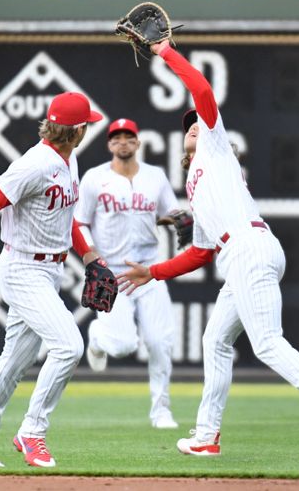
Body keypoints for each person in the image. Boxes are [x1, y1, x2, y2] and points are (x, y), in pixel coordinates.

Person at [118, 39, 299, 458]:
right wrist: (151, 272)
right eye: (187, 126)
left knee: (266, 342)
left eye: (198, 122)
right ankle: (206, 436)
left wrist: (166, 52)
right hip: (238, 255)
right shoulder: (195, 185)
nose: (194, 124)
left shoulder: (214, 149)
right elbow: (200, 254)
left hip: (249, 248)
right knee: (215, 341)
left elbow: (204, 93)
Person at [0, 91, 107, 468]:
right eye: (86, 123)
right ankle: (32, 432)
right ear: (77, 130)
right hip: (23, 268)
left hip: (50, 269)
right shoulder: (35, 164)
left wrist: (89, 255)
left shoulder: (67, 161)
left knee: (16, 359)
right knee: (70, 346)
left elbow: (63, 216)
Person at [74, 117, 182, 430]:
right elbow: (79, 222)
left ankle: (161, 410)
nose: (123, 142)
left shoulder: (155, 177)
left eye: (128, 137)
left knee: (160, 342)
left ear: (137, 142)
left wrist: (180, 220)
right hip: (113, 273)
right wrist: (93, 258)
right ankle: (96, 338)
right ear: (109, 144)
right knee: (122, 346)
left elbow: (171, 213)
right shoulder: (95, 179)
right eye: (117, 137)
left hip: (148, 270)